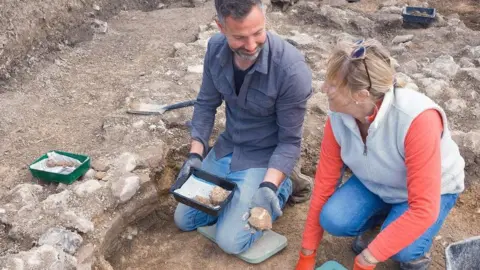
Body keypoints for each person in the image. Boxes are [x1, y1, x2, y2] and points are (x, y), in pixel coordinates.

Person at [295, 39, 465, 270]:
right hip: (376, 183)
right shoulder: (338, 118)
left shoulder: (416, 119)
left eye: (333, 84)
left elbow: (423, 208)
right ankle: (385, 222)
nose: (324, 88)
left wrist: (367, 259)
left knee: (405, 251)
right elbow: (324, 185)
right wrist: (307, 254)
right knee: (333, 219)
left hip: (429, 192)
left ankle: (410, 245)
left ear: (361, 95)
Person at [173, 0, 313, 255]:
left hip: (265, 157)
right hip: (228, 148)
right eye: (239, 37)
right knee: (184, 219)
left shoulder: (290, 70)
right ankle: (238, 199)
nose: (251, 46)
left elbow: (290, 142)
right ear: (221, 27)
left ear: (264, 19)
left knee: (231, 242)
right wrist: (195, 155)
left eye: (258, 33)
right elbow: (205, 104)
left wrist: (268, 186)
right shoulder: (215, 49)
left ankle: (283, 187)